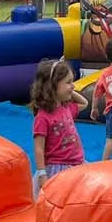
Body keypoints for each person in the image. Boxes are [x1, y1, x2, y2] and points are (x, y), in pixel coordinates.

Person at [32, 59, 88, 190]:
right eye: (68, 82)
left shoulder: (66, 108)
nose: (73, 86)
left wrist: (69, 90)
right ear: (52, 86)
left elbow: (84, 103)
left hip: (76, 163)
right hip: (58, 167)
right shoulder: (43, 117)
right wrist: (41, 173)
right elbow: (39, 148)